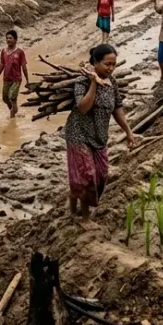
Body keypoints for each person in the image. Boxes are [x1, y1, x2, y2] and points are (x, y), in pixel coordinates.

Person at [66, 44, 139, 219]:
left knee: (101, 175)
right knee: (88, 177)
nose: (111, 68)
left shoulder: (112, 82)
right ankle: (84, 218)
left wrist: (129, 132)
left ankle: (73, 194)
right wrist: (94, 83)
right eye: (107, 64)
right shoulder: (81, 81)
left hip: (99, 136)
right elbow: (83, 108)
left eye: (113, 64)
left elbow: (117, 108)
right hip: (78, 134)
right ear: (96, 63)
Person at [0, 30, 30, 118]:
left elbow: (24, 67)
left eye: (10, 38)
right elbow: (2, 64)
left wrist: (27, 80)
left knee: (12, 96)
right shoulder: (4, 51)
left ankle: (12, 118)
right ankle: (14, 109)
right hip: (6, 79)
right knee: (5, 98)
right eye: (7, 38)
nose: (8, 40)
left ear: (15, 40)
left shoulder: (20, 52)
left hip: (16, 79)